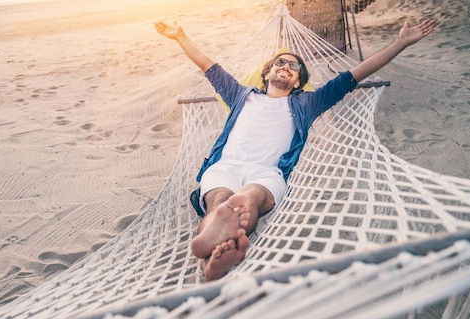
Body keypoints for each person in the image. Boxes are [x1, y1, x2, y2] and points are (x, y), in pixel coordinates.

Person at [154, 18, 437, 281]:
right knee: (219, 201)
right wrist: (180, 37)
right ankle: (210, 261)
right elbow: (208, 65)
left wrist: (400, 43)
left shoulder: (307, 104)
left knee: (246, 199)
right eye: (281, 63)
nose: (286, 68)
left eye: (294, 67)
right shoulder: (240, 95)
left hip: (266, 175)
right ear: (267, 72)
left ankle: (213, 245)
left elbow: (356, 75)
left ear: (299, 82)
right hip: (225, 166)